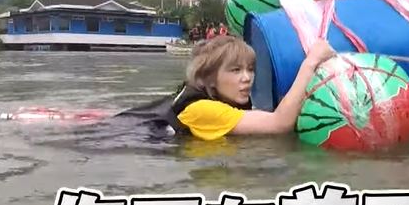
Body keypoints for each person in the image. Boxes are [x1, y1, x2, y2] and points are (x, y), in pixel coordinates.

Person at [117, 35, 335, 141]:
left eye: (250, 69)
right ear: (210, 79)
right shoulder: (203, 109)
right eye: (235, 70)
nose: (247, 78)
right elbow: (279, 123)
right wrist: (311, 62)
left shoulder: (204, 97)